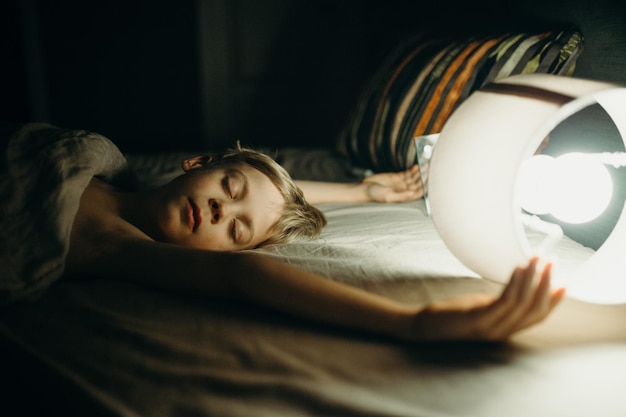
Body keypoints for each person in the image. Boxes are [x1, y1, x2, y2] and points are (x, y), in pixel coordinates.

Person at [65, 143, 565, 342]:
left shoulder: (114, 243)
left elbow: (242, 277)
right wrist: (357, 190)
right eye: (226, 188)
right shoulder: (111, 166)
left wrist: (412, 323)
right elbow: (257, 184)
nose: (222, 209)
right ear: (197, 163)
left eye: (235, 231)